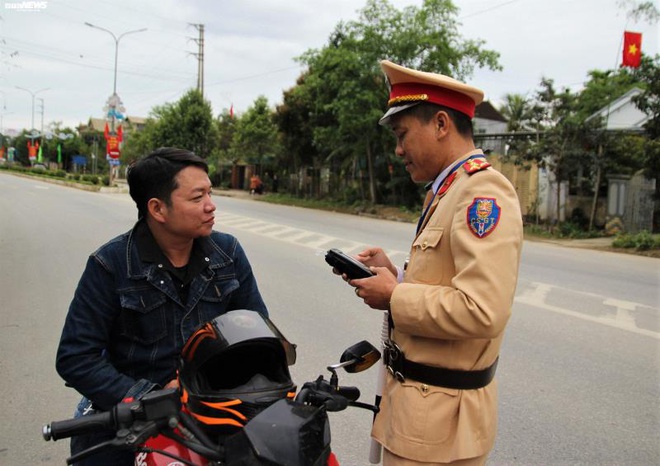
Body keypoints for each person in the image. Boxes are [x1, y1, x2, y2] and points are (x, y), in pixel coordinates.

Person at [343, 61, 523, 465]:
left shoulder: (483, 193)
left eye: (403, 134)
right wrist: (396, 275)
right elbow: (446, 278)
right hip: (421, 415)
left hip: (439, 425)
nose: (398, 149)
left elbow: (482, 310)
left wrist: (395, 297)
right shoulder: (449, 189)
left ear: (441, 124)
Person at [55, 147, 269, 465]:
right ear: (158, 208)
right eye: (197, 198)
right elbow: (76, 358)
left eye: (209, 193)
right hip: (128, 424)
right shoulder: (111, 264)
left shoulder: (228, 254)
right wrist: (150, 395)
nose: (211, 206)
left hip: (210, 414)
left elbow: (256, 331)